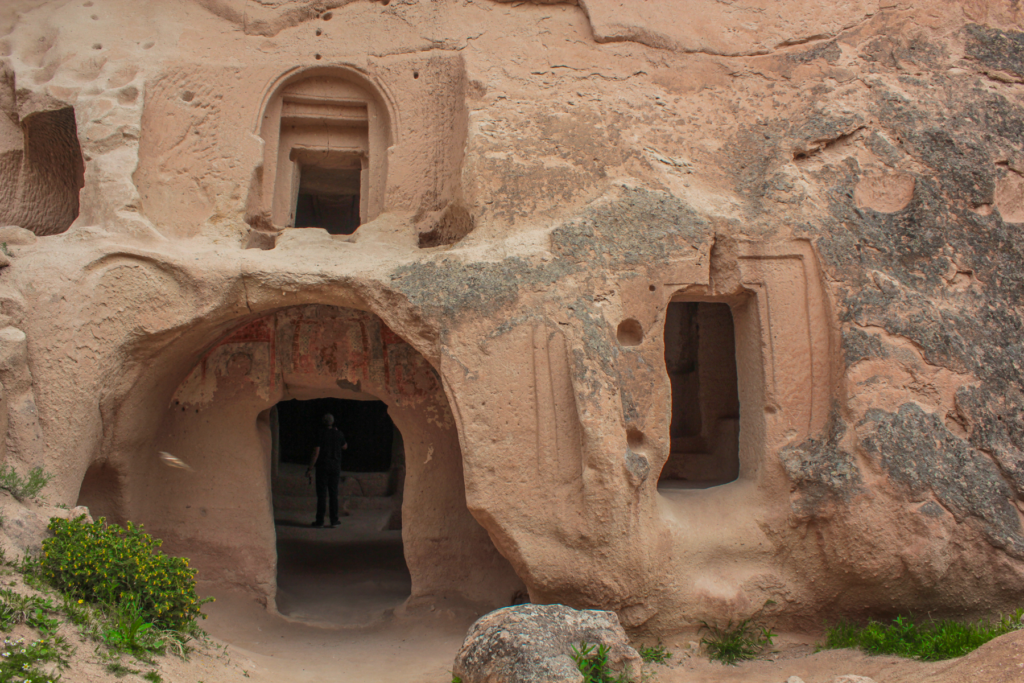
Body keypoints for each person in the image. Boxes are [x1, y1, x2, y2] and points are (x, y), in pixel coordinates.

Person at [306, 413, 348, 528]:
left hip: (323, 467)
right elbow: (345, 446)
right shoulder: (338, 433)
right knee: (334, 494)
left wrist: (310, 468)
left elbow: (316, 452)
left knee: (322, 495)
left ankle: (320, 521)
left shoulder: (320, 433)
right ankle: (334, 520)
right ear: (333, 422)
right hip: (335, 467)